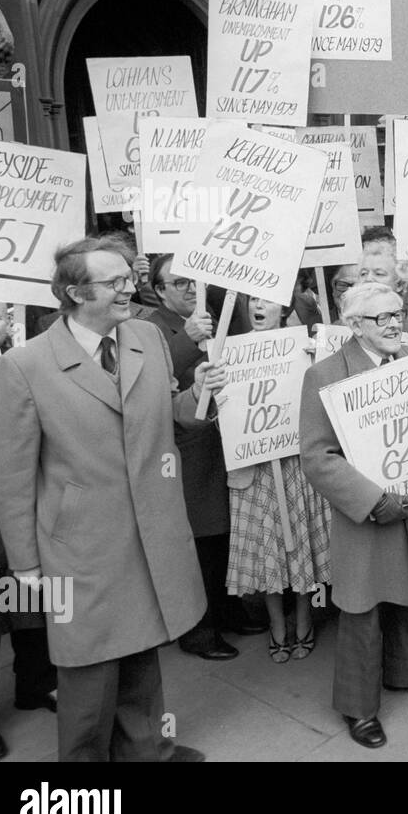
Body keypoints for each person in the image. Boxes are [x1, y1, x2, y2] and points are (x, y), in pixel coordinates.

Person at [0, 235, 225, 761]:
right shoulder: (25, 366)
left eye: (129, 278)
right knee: (89, 669)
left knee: (142, 649)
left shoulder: (144, 335)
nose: (129, 289)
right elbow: (11, 475)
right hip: (82, 546)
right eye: (114, 282)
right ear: (74, 292)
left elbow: (164, 416)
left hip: (152, 529)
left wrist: (199, 398)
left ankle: (148, 752)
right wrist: (25, 564)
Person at [299, 282, 408, 750]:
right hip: (364, 515)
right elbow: (317, 456)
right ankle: (358, 707)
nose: (394, 325)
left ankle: (405, 673)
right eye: (381, 318)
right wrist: (372, 500)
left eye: (398, 315)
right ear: (353, 325)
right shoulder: (324, 374)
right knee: (362, 608)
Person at [146, 255, 263, 661]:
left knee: (223, 538)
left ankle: (227, 610)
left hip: (224, 443)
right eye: (179, 284)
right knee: (197, 545)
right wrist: (185, 340)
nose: (192, 290)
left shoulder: (218, 315)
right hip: (186, 452)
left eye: (196, 282)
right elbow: (149, 379)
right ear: (158, 290)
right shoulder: (150, 326)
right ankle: (196, 629)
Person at [0, 301, 56, 763]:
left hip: (28, 514)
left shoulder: (22, 365)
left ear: (9, 323)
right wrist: (14, 432)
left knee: (32, 611)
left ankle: (37, 685)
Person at [226, 296, 332, 664]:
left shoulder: (300, 349)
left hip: (293, 464)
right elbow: (214, 412)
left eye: (267, 301)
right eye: (253, 299)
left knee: (298, 548)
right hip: (253, 469)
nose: (259, 305)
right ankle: (277, 627)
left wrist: (315, 357)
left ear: (283, 311)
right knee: (267, 552)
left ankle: (304, 621)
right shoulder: (228, 353)